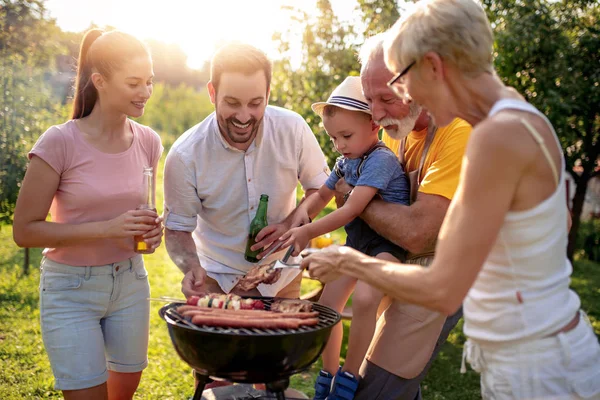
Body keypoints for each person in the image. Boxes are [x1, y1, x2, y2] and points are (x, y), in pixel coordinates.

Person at [303, 0, 600, 399]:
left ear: (432, 66)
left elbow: (442, 288)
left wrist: (344, 260)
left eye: (401, 83)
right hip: (536, 356)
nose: (406, 96)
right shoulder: (515, 116)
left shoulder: (493, 136)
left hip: (540, 369)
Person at [162, 42, 329, 389]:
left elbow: (321, 189)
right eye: (232, 103)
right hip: (218, 281)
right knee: (220, 380)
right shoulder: (185, 154)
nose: (243, 116)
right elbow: (177, 229)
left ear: (269, 93)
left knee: (275, 380)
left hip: (283, 275)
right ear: (212, 93)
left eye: (256, 103)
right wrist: (192, 269)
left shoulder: (293, 128)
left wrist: (292, 222)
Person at [12, 29, 163, 400]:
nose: (145, 91)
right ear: (100, 81)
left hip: (130, 282)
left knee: (123, 394)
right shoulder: (59, 141)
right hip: (70, 290)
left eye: (149, 81)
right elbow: (24, 231)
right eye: (134, 83)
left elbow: (143, 211)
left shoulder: (148, 141)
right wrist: (107, 229)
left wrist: (151, 233)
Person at [279, 76, 410, 400]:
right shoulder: (345, 160)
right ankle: (329, 374)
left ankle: (350, 378)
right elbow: (321, 196)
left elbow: (352, 209)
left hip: (386, 245)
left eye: (346, 136)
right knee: (328, 307)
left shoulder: (381, 159)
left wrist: (308, 231)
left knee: (365, 300)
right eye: (334, 137)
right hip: (357, 244)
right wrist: (300, 216)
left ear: (373, 126)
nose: (339, 145)